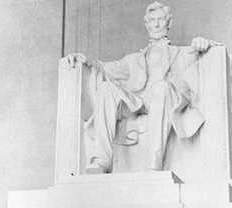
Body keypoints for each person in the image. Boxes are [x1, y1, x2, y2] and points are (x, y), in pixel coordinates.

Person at [63, 2, 219, 173]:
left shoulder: (182, 53)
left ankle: (153, 165)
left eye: (160, 19)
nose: (156, 24)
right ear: (147, 24)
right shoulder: (133, 59)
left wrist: (204, 43)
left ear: (169, 23)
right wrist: (84, 60)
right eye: (152, 20)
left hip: (165, 98)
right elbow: (104, 67)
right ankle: (102, 161)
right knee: (106, 90)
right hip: (138, 102)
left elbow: (211, 51)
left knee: (162, 88)